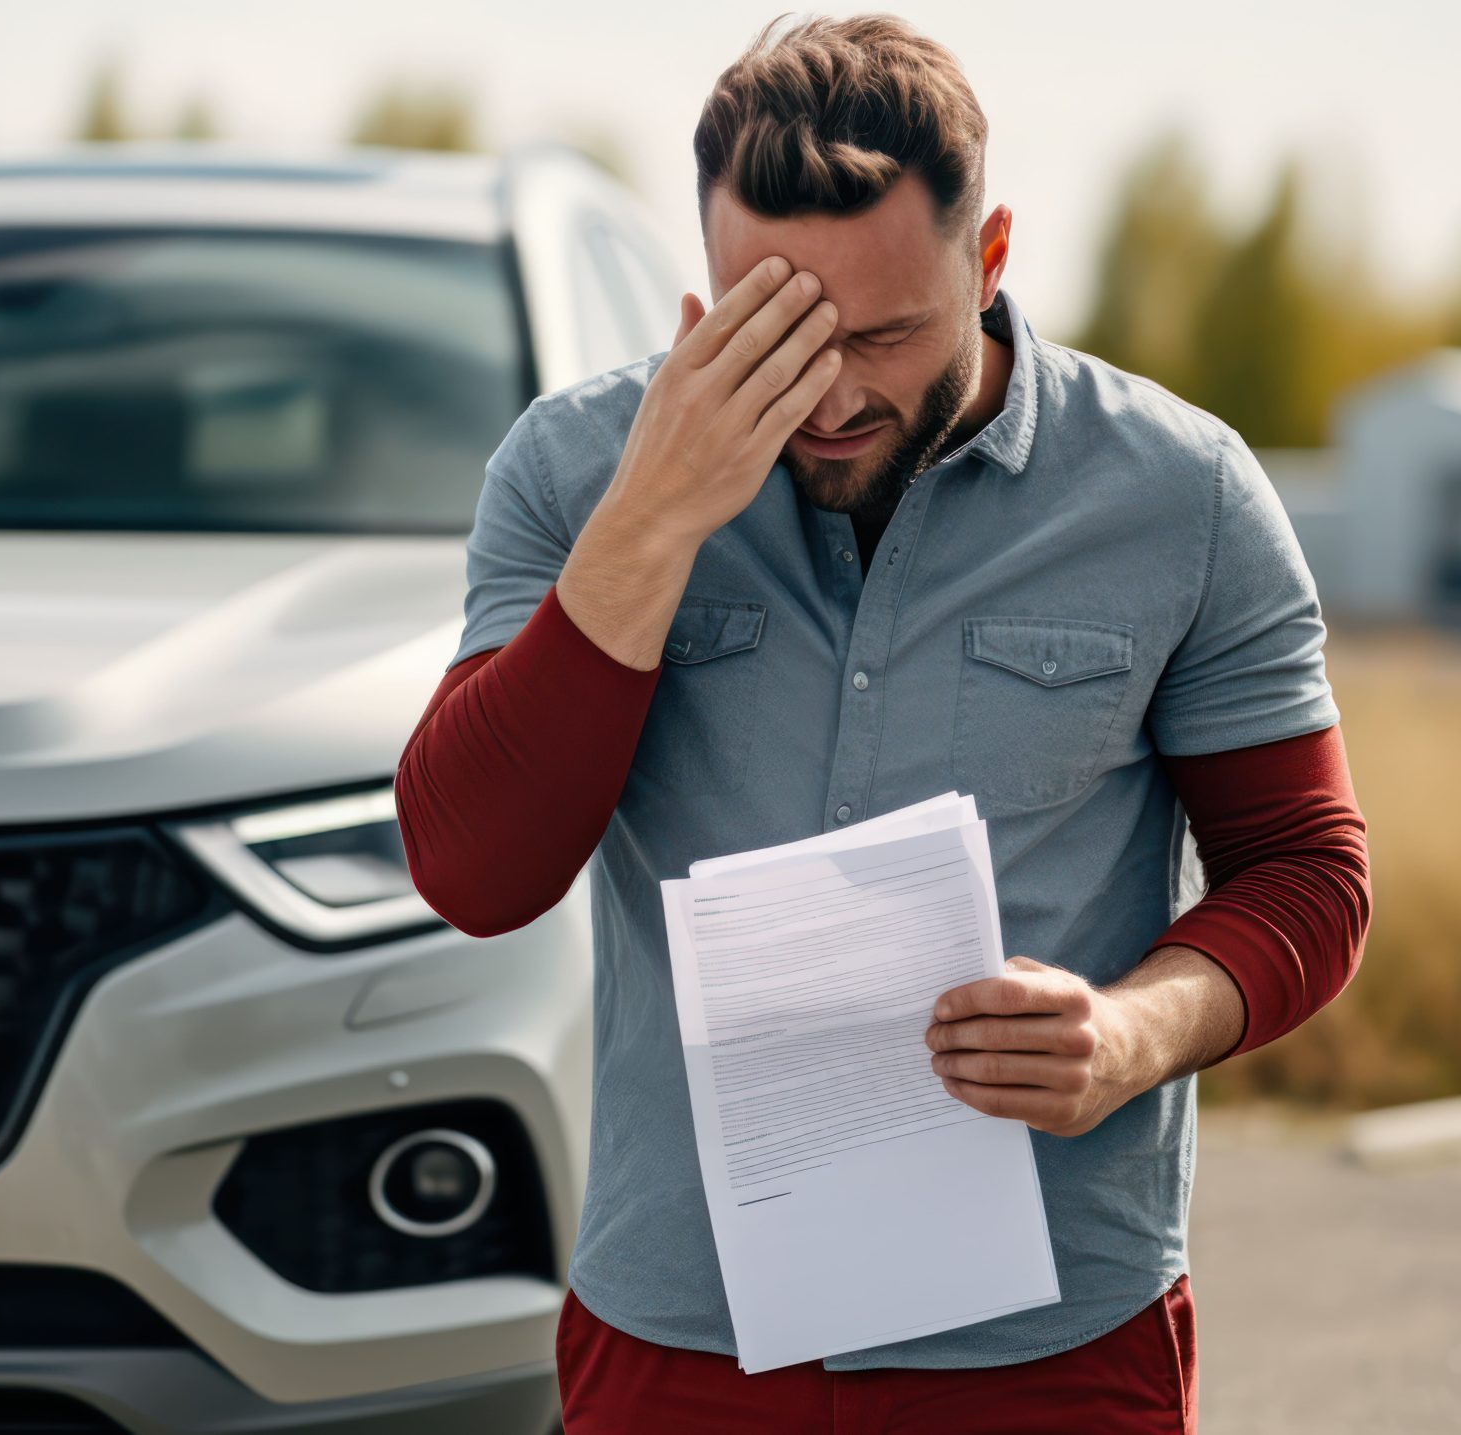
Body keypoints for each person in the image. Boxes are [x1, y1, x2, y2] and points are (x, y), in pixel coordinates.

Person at [393, 13, 1370, 1433]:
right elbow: (473, 873)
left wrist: (1132, 1034)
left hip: (1053, 1346)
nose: (833, 393)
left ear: (990, 261)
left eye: (884, 334)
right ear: (703, 292)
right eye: (776, 331)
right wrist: (654, 516)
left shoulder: (1186, 497)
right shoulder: (570, 473)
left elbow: (1309, 873)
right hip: (681, 1343)